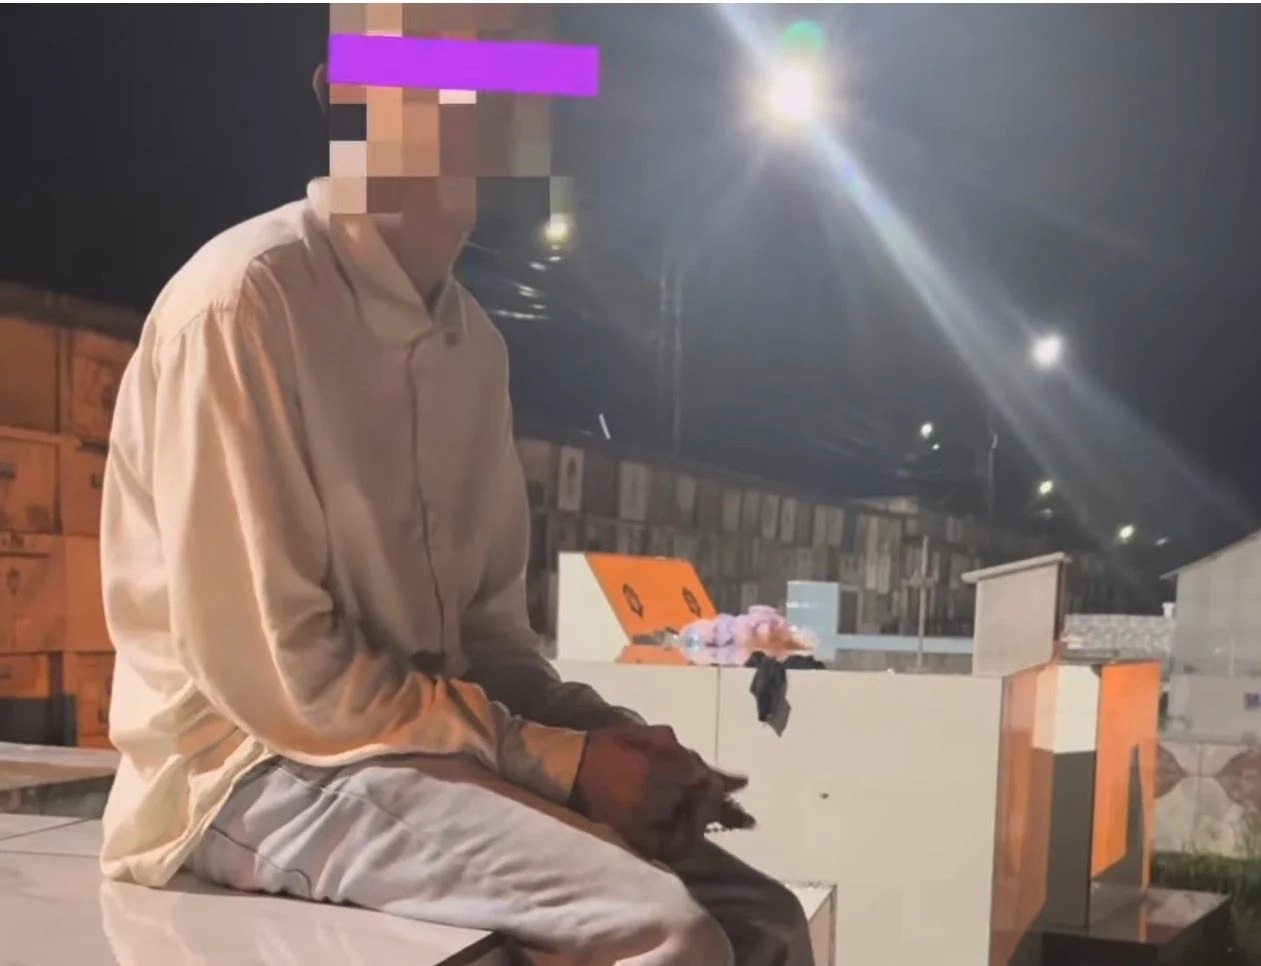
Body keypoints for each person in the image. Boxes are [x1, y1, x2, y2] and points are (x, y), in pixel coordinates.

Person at [98, 5, 813, 966]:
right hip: (250, 766)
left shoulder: (474, 346)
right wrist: (567, 765)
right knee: (664, 937)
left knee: (766, 920)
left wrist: (616, 744)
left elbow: (487, 645)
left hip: (413, 746)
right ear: (346, 87)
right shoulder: (245, 303)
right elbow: (287, 684)